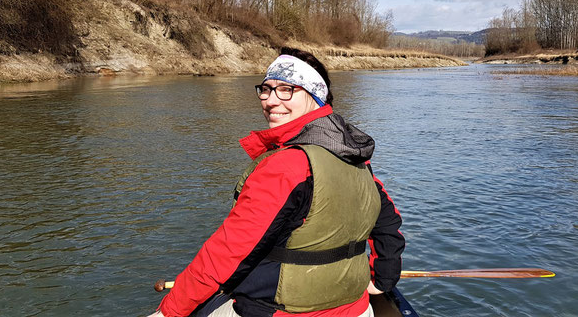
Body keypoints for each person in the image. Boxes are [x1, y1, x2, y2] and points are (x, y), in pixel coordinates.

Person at [149, 47, 405, 317]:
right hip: (357, 310)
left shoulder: (286, 166)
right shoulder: (354, 157)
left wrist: (168, 312)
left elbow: (226, 253)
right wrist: (382, 281)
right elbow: (389, 225)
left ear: (315, 95)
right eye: (266, 89)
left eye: (286, 89)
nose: (270, 100)